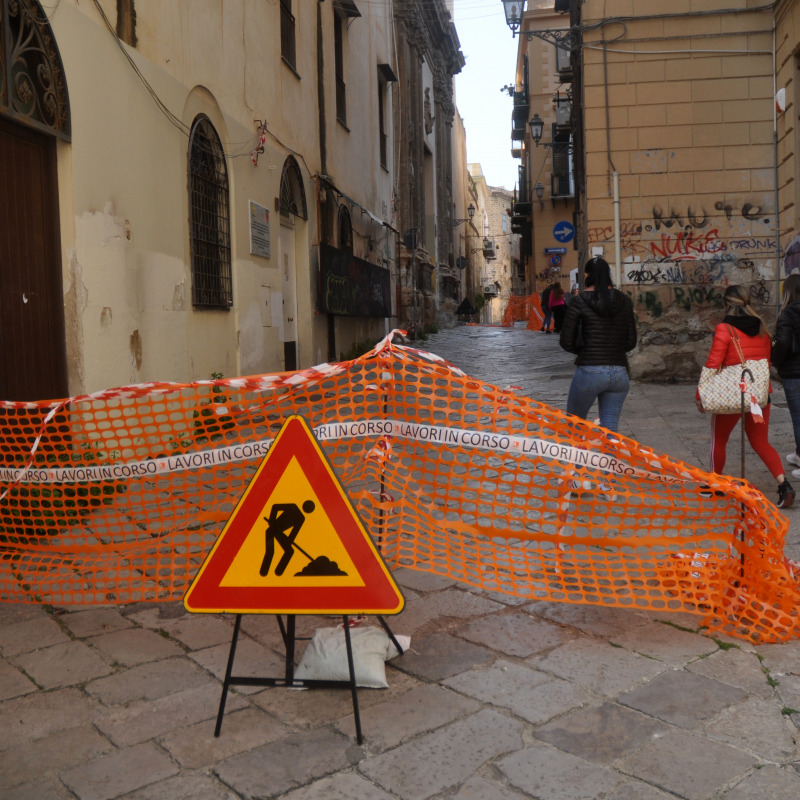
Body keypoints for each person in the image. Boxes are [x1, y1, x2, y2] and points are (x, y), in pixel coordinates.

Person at [696, 284, 794, 509]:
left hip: (733, 395)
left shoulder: (724, 329)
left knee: (719, 440)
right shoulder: (762, 328)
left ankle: (714, 483)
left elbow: (713, 363)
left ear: (726, 304)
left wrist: (700, 392)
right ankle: (784, 484)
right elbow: (765, 363)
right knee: (761, 441)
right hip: (759, 397)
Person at [559, 256, 637, 432]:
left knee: (575, 427)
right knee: (610, 431)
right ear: (608, 275)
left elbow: (565, 340)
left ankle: (580, 461)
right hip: (619, 372)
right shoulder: (624, 301)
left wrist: (585, 351)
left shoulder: (579, 301)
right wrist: (613, 351)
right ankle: (609, 459)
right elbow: (631, 341)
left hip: (589, 370)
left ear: (587, 275)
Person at [772, 274, 800, 480]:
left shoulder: (788, 314)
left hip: (794, 373)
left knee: (798, 418)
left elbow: (782, 342)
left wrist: (776, 361)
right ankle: (799, 454)